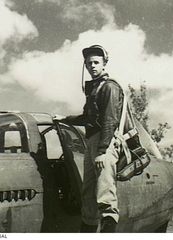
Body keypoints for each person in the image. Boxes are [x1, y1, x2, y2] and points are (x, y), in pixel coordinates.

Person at [54, 45, 123, 233]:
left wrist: (102, 152)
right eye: (88, 63)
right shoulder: (95, 88)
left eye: (96, 62)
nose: (92, 66)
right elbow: (87, 118)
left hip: (105, 142)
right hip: (92, 141)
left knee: (105, 195)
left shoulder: (109, 87)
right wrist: (66, 119)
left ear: (104, 64)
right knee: (88, 195)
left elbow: (110, 120)